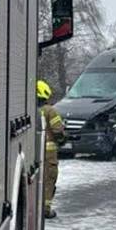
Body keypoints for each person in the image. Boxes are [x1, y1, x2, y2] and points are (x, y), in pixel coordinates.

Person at [37, 80, 65, 219]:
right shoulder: (50, 110)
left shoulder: (27, 109)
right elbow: (58, 130)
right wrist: (63, 139)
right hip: (48, 156)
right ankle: (45, 209)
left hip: (32, 153)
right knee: (48, 180)